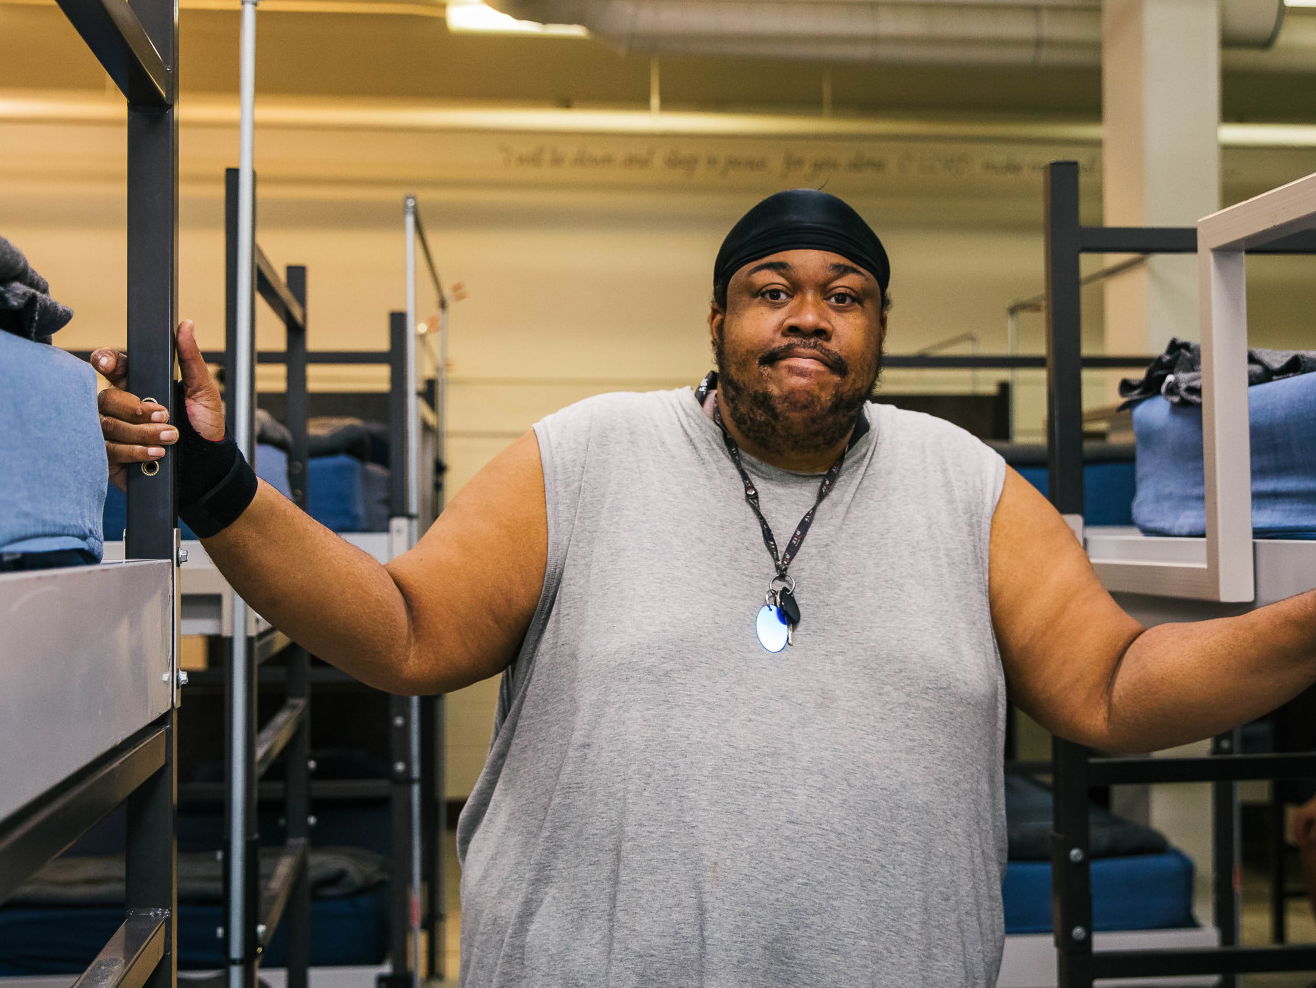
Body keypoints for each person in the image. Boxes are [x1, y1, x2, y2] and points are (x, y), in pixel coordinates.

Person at [94, 190, 1316, 986]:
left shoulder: (965, 483)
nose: (806, 316)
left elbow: (1105, 686)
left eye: (843, 295)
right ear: (718, 316)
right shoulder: (585, 453)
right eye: (770, 287)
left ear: (876, 330)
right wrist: (218, 489)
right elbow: (405, 632)